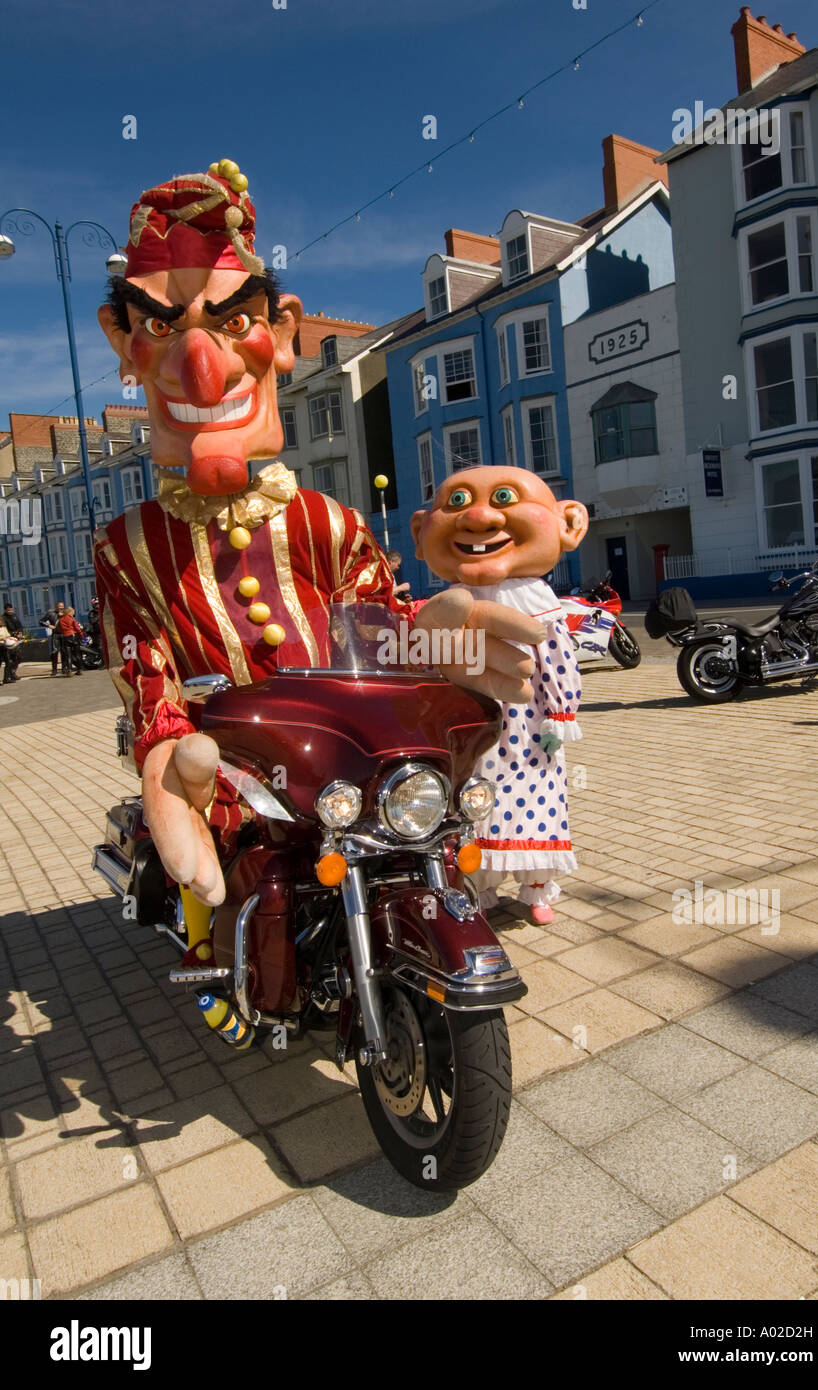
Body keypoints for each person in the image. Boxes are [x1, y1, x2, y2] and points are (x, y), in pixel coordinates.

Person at [94, 160, 545, 963]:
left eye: (233, 323)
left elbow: (373, 623)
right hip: (227, 765)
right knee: (221, 886)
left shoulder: (324, 521)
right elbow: (147, 676)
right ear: (123, 343)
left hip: (333, 746)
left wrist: (430, 636)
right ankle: (218, 957)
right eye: (161, 328)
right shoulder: (128, 546)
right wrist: (167, 769)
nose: (199, 362)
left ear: (283, 330)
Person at [412, 466, 588, 925]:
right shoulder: (449, 600)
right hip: (470, 725)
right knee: (475, 803)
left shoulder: (536, 598)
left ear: (569, 525)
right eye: (456, 503)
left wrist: (560, 715)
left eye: (505, 498)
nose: (479, 518)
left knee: (536, 801)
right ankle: (479, 886)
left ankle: (536, 888)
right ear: (419, 532)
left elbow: (556, 660)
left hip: (528, 729)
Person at [40, 600, 67, 676]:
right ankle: (54, 670)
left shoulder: (65, 613)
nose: (61, 609)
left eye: (62, 607)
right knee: (54, 652)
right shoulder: (51, 614)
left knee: (64, 651)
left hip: (64, 634)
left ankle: (64, 668)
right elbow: (41, 621)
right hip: (55, 634)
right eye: (59, 607)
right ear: (56, 607)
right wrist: (48, 626)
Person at [56, 607, 84, 676]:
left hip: (66, 637)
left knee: (68, 655)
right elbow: (77, 628)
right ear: (69, 612)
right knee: (77, 654)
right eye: (73, 612)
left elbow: (59, 629)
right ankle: (79, 669)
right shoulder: (72, 619)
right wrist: (82, 635)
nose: (73, 613)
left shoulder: (61, 620)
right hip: (73, 636)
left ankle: (69, 671)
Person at [1, 603, 24, 683]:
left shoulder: (14, 616)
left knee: (19, 657)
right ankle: (9, 675)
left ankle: (13, 672)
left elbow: (20, 625)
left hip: (17, 639)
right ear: (5, 610)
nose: (10, 611)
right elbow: (6, 630)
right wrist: (12, 634)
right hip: (9, 641)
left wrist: (20, 632)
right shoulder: (3, 618)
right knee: (9, 659)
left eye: (11, 609)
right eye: (8, 610)